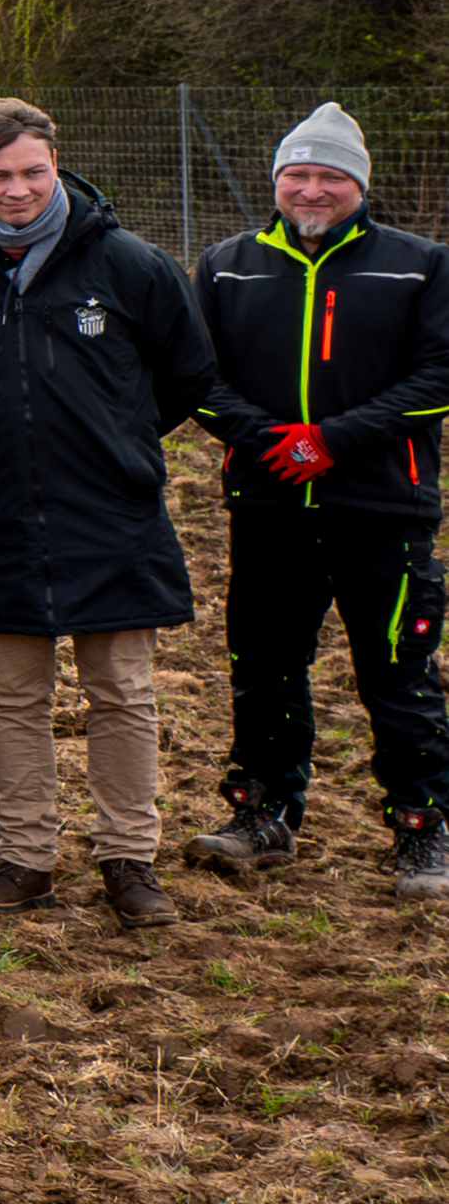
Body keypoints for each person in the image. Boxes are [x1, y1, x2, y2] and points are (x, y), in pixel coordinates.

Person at [0, 97, 219, 925]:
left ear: (56, 165)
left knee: (124, 692)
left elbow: (186, 376)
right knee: (12, 699)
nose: (17, 190)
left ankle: (128, 859)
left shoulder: (130, 264)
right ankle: (26, 855)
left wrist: (117, 444)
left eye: (33, 172)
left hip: (112, 512)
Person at [189, 104, 449, 898]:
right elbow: (196, 376)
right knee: (264, 667)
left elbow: (439, 375)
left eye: (328, 176)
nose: (311, 189)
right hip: (267, 508)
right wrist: (265, 437)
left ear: (357, 186)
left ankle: (423, 827)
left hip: (384, 507)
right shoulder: (227, 265)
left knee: (398, 671)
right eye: (296, 175)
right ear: (276, 182)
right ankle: (263, 813)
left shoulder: (419, 265)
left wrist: (334, 439)